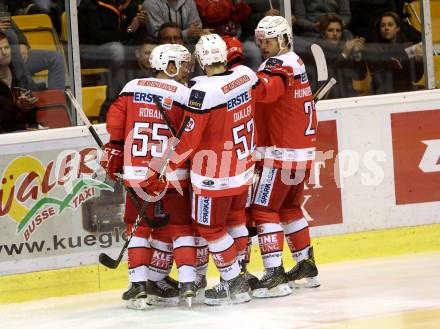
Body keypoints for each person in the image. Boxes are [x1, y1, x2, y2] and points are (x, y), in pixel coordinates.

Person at [144, 33, 293, 305]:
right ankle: (242, 275)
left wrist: (162, 168)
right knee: (236, 221)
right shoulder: (246, 75)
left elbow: (188, 140)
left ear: (201, 59)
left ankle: (232, 282)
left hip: (214, 175)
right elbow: (240, 86)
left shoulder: (202, 93)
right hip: (243, 169)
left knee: (208, 228)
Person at [101, 43, 197, 309]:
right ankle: (189, 283)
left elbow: (115, 126)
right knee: (180, 227)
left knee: (138, 227)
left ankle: (138, 286)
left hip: (137, 172)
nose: (186, 70)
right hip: (172, 173)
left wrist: (114, 150)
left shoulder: (131, 88)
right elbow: (191, 136)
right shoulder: (185, 94)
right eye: (182, 64)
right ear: (169, 65)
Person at [251, 15, 320, 299]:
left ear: (284, 39)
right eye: (261, 42)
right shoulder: (296, 61)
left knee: (263, 210)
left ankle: (274, 274)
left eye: (269, 41)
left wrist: (240, 80)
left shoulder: (279, 64)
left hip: (280, 154)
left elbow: (268, 92)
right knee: (289, 209)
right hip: (301, 153)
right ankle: (306, 265)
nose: (264, 46)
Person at [99, 37, 157, 122]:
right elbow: (108, 108)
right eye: (147, 53)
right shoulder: (121, 76)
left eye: (154, 54)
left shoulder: (162, 76)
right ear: (137, 54)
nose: (151, 58)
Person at [366, 11, 423, 94]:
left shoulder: (408, 46)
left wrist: (418, 61)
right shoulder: (373, 47)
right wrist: (389, 65)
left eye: (390, 25)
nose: (386, 28)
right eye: (382, 25)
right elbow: (375, 72)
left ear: (397, 28)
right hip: (381, 92)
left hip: (404, 91)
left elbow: (416, 78)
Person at [316, 13, 367, 98]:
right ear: (323, 33)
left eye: (338, 30)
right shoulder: (316, 49)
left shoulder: (343, 48)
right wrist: (344, 54)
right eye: (330, 30)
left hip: (348, 97)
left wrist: (357, 54)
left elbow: (360, 76)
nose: (335, 34)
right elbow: (329, 76)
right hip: (327, 99)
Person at [142, 0, 207, 46]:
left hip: (188, 47)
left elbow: (196, 27)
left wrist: (196, 32)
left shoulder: (189, 1)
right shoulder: (150, 3)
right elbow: (157, 34)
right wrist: (186, 34)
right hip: (160, 50)